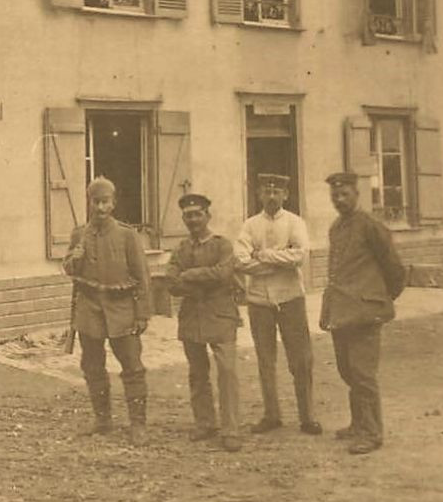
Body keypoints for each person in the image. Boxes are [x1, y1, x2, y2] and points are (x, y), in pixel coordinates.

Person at [319, 171, 406, 455]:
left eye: (344, 194)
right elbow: (336, 272)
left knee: (363, 374)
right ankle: (358, 424)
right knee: (347, 371)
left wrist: (378, 299)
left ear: (357, 194)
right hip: (342, 312)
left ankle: (372, 433)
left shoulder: (370, 226)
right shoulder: (337, 228)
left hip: (365, 312)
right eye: (335, 196)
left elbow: (394, 268)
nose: (339, 200)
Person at [63, 176, 152, 442]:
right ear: (89, 203)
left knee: (132, 366)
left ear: (113, 204)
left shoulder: (127, 235)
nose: (100, 208)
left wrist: (142, 314)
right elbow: (69, 269)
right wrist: (73, 260)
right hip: (89, 308)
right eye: (95, 202)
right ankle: (102, 420)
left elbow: (142, 276)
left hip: (121, 309)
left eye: (105, 202)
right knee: (92, 365)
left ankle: (138, 425)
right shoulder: (79, 234)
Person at [233, 173, 321, 436]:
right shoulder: (249, 225)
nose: (271, 196)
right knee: (265, 359)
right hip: (260, 301)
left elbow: (299, 256)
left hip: (290, 298)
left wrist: (263, 255)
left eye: (277, 192)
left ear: (286, 195)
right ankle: (272, 415)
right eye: (266, 192)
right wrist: (276, 260)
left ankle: (308, 416)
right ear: (259, 195)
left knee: (301, 359)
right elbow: (239, 260)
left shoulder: (295, 222)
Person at [165, 193, 244, 452]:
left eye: (198, 214)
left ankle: (231, 429)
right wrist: (195, 280)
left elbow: (223, 274)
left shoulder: (222, 245)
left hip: (221, 315)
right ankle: (205, 422)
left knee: (227, 372)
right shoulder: (181, 249)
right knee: (197, 373)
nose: (193, 219)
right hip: (192, 317)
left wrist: (190, 275)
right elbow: (171, 282)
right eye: (188, 215)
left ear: (208, 216)